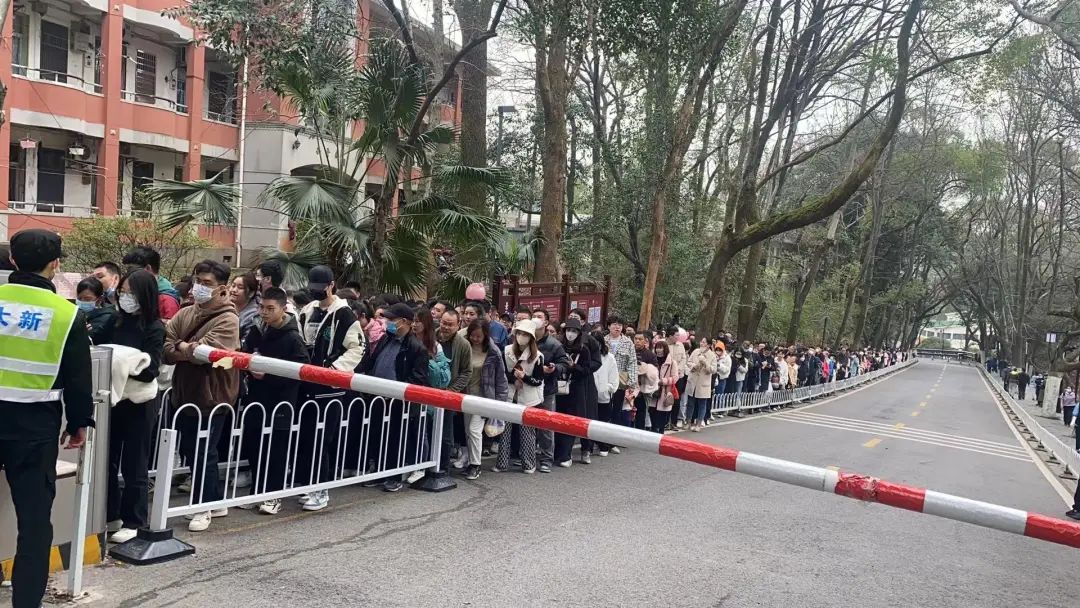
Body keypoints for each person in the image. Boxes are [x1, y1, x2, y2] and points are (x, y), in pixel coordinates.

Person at [0, 229, 94, 608]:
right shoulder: (66, 315)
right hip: (34, 429)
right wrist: (78, 423)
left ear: (13, 260)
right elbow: (78, 378)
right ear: (55, 264)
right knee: (34, 523)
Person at [163, 260, 241, 532]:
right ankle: (215, 500)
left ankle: (203, 505)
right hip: (185, 391)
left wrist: (182, 348)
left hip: (213, 394)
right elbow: (166, 346)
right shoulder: (186, 312)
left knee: (204, 450)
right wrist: (185, 348)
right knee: (189, 448)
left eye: (207, 283)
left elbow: (205, 355)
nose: (200, 287)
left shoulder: (228, 319)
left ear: (222, 288)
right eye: (198, 281)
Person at [100, 270, 164, 544]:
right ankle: (110, 513)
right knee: (107, 460)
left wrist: (123, 364)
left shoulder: (154, 327)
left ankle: (134, 520)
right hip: (113, 399)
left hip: (139, 401)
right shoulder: (113, 321)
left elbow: (150, 370)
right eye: (122, 292)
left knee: (135, 462)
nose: (125, 297)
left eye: (131, 293)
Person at [295, 265, 366, 509]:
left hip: (330, 387)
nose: (317, 291)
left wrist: (334, 369)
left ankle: (321, 489)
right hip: (307, 383)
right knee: (306, 437)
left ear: (331, 285)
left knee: (322, 439)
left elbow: (358, 347)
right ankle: (307, 484)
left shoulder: (344, 314)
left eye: (321, 287)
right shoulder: (308, 310)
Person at [239, 287, 309, 515]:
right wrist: (250, 365)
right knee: (254, 444)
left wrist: (269, 374)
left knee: (276, 449)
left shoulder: (293, 337)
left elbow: (301, 370)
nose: (265, 312)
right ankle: (257, 491)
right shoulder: (257, 330)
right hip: (256, 398)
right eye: (262, 307)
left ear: (283, 309)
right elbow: (245, 353)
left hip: (281, 401)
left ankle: (273, 494)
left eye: (270, 308)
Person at [357, 303, 429, 492]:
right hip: (376, 396)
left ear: (404, 321)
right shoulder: (385, 339)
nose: (386, 322)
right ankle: (377, 472)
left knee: (395, 439)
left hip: (397, 401)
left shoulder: (416, 348)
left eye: (391, 319)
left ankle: (394, 476)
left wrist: (398, 391)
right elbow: (371, 361)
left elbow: (419, 378)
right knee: (376, 435)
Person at [496, 320, 544, 474]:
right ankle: (502, 463)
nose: (521, 337)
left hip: (528, 398)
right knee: (504, 431)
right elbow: (502, 373)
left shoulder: (538, 356)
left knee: (527, 432)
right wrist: (513, 378)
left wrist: (525, 378)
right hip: (510, 395)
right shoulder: (506, 351)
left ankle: (529, 464)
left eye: (525, 334)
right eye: (519, 333)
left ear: (531, 337)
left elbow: (538, 380)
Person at [462, 319, 508, 480]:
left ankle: (476, 464)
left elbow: (501, 379)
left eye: (479, 336)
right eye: (472, 335)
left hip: (484, 397)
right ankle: (470, 462)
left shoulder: (493, 352)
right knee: (468, 431)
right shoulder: (464, 346)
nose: (475, 339)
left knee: (474, 430)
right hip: (466, 396)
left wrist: (500, 402)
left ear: (485, 335)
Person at [554, 318, 601, 467]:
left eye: (574, 331)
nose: (570, 334)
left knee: (575, 419)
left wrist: (574, 367)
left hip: (580, 387)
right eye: (568, 330)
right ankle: (559, 453)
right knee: (559, 420)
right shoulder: (559, 345)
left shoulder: (585, 347)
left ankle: (573, 453)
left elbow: (590, 367)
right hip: (560, 387)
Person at [436, 309, 472, 469]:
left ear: (458, 325)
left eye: (450, 324)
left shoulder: (463, 345)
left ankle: (442, 468)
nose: (445, 327)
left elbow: (467, 372)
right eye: (444, 323)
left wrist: (451, 391)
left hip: (448, 395)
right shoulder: (431, 337)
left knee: (445, 433)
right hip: (429, 392)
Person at [599, 315, 637, 455]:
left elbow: (632, 362)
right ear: (609, 326)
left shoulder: (628, 342)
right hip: (604, 379)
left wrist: (632, 382)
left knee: (617, 411)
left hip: (620, 380)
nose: (617, 327)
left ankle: (612, 442)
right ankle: (601, 441)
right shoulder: (603, 340)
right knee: (604, 410)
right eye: (614, 324)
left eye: (619, 325)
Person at [122, 246, 180, 320]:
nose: (127, 274)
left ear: (148, 269)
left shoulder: (167, 301)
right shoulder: (134, 295)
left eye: (130, 270)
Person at [593, 335, 620, 457]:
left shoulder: (609, 358)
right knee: (592, 420)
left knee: (604, 420)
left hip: (604, 394)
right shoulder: (588, 356)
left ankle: (604, 445)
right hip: (590, 394)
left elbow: (614, 378)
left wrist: (607, 388)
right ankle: (594, 444)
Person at [686, 337, 718, 431]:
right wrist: (694, 366)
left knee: (702, 404)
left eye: (704, 342)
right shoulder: (696, 351)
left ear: (709, 345)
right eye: (701, 342)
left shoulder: (712, 355)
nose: (701, 344)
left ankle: (699, 424)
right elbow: (689, 362)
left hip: (703, 383)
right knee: (690, 403)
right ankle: (688, 422)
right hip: (693, 380)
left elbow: (713, 370)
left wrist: (705, 363)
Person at [76, 275, 117, 345]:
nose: (82, 301)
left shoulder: (107, 318)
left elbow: (92, 340)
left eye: (87, 299)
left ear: (99, 299)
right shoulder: (76, 313)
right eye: (79, 298)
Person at [632, 332, 659, 431]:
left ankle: (639, 432)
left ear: (645, 341)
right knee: (627, 411)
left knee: (641, 412)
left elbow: (655, 370)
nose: (637, 341)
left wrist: (645, 368)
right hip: (630, 387)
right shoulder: (630, 352)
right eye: (636, 339)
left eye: (640, 339)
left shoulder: (650, 355)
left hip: (643, 389)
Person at [653, 340, 679, 434]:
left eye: (661, 348)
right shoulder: (653, 359)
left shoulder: (672, 362)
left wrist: (664, 381)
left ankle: (660, 433)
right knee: (652, 413)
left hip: (664, 391)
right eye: (657, 348)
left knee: (662, 415)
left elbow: (675, 378)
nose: (658, 350)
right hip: (653, 390)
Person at [230, 272, 261, 342]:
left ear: (251, 293)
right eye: (233, 286)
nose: (234, 290)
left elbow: (246, 343)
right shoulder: (224, 306)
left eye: (240, 287)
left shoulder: (254, 317)